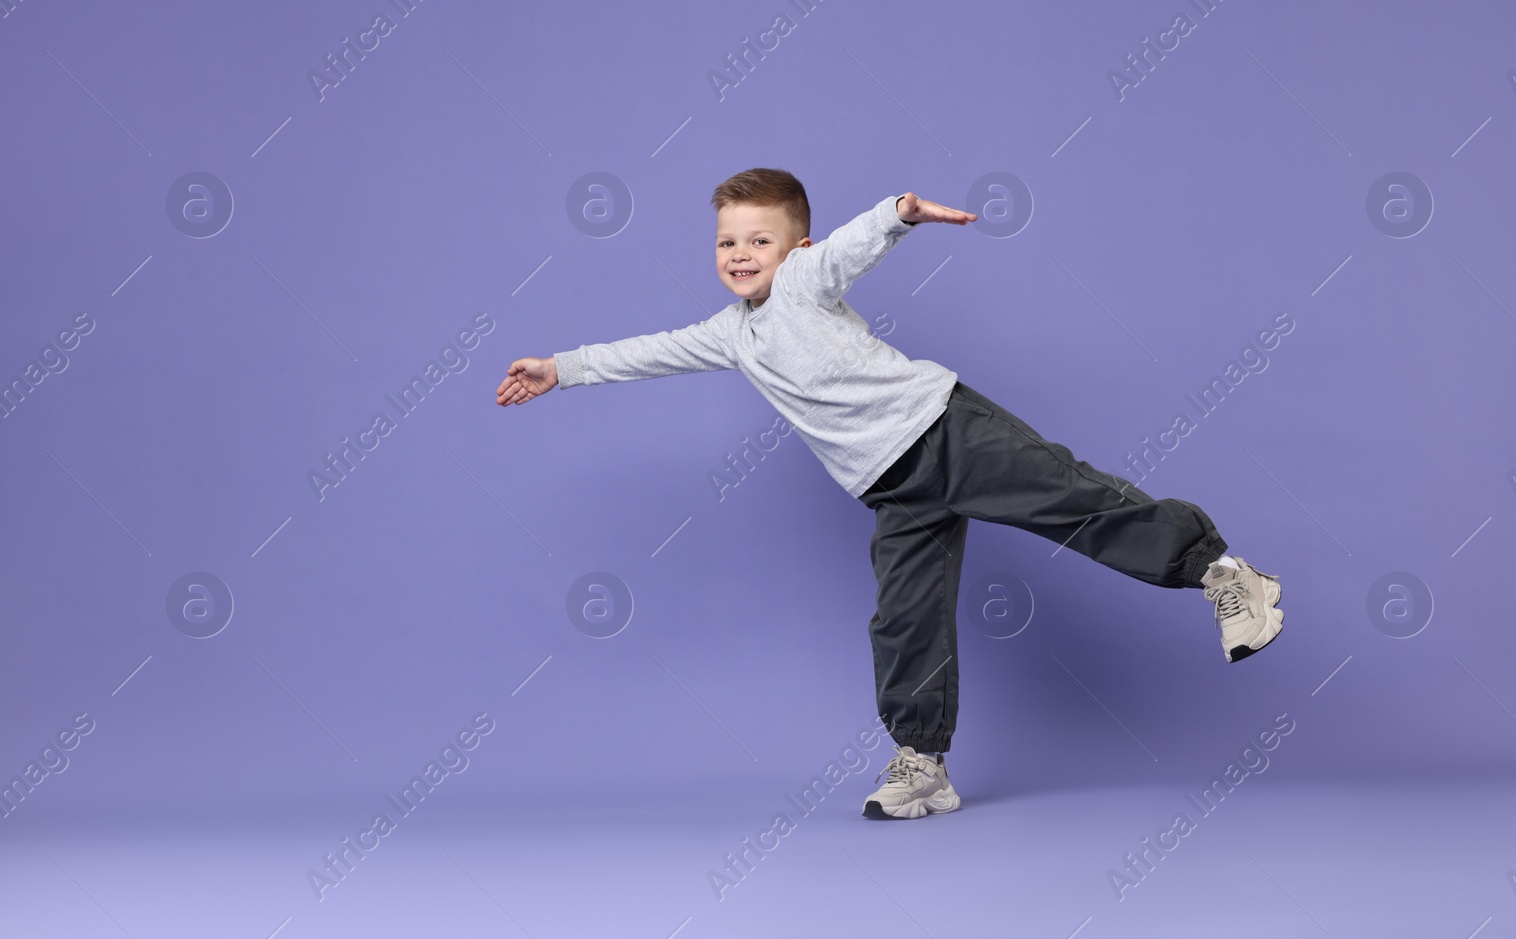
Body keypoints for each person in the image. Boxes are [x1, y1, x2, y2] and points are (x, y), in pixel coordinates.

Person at [495, 167, 1283, 821]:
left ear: (791, 245)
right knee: (904, 617)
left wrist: (897, 214)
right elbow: (652, 351)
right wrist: (561, 367)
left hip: (945, 430)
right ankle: (924, 763)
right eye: (726, 241)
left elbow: (845, 250)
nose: (740, 253)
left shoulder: (806, 278)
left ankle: (1221, 571)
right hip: (890, 487)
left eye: (757, 239)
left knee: (1072, 503)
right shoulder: (731, 332)